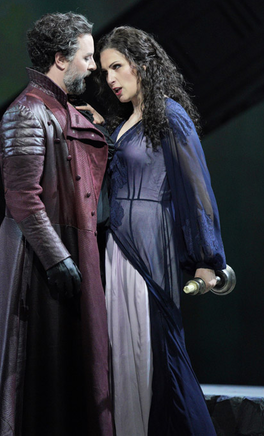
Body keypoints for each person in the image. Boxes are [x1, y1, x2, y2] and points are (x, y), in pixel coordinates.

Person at [0, 12, 114, 436]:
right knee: (34, 370)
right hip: (37, 259)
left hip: (64, 247)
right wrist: (57, 258)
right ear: (60, 59)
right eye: (87, 56)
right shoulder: (26, 112)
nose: (93, 66)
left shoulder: (61, 108)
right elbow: (23, 199)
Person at [94, 26, 226, 436]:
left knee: (153, 351)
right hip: (117, 248)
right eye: (105, 71)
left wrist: (207, 259)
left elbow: (198, 191)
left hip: (149, 250)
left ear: (143, 65)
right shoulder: (125, 121)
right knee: (124, 355)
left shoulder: (169, 115)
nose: (111, 79)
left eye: (117, 67)